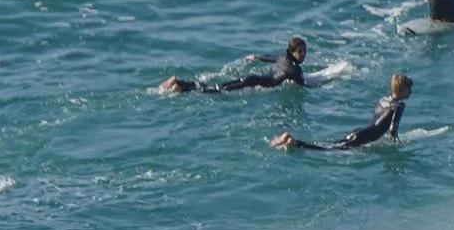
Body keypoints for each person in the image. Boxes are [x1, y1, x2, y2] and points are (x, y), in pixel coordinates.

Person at [270, 74, 411, 152]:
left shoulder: (382, 100)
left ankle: (289, 140)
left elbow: (378, 119)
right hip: (364, 137)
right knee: (327, 150)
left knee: (329, 146)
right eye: (408, 89)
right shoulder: (399, 106)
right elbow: (393, 129)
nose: (410, 92)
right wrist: (396, 146)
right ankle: (294, 142)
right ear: (401, 89)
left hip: (360, 132)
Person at [160, 37, 308, 94]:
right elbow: (303, 86)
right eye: (300, 52)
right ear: (292, 52)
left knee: (218, 86)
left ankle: (181, 83)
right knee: (219, 90)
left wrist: (256, 56)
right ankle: (181, 87)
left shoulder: (282, 58)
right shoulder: (296, 70)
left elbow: (270, 57)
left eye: (305, 51)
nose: (303, 54)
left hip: (252, 78)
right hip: (255, 83)